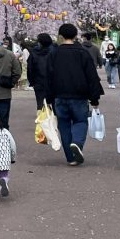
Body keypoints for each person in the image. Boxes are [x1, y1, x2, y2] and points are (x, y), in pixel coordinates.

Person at [45, 23, 103, 166]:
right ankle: (77, 143)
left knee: (64, 125)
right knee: (80, 121)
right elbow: (91, 76)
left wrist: (48, 97)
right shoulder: (83, 52)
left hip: (59, 95)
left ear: (60, 36)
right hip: (79, 95)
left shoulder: (54, 53)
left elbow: (47, 76)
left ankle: (71, 158)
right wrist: (94, 98)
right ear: (76, 35)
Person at [25, 33, 54, 110]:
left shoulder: (34, 53)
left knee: (40, 103)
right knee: (53, 104)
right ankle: (52, 119)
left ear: (39, 42)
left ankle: (41, 119)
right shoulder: (54, 52)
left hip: (38, 82)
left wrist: (32, 82)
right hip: (53, 82)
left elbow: (30, 69)